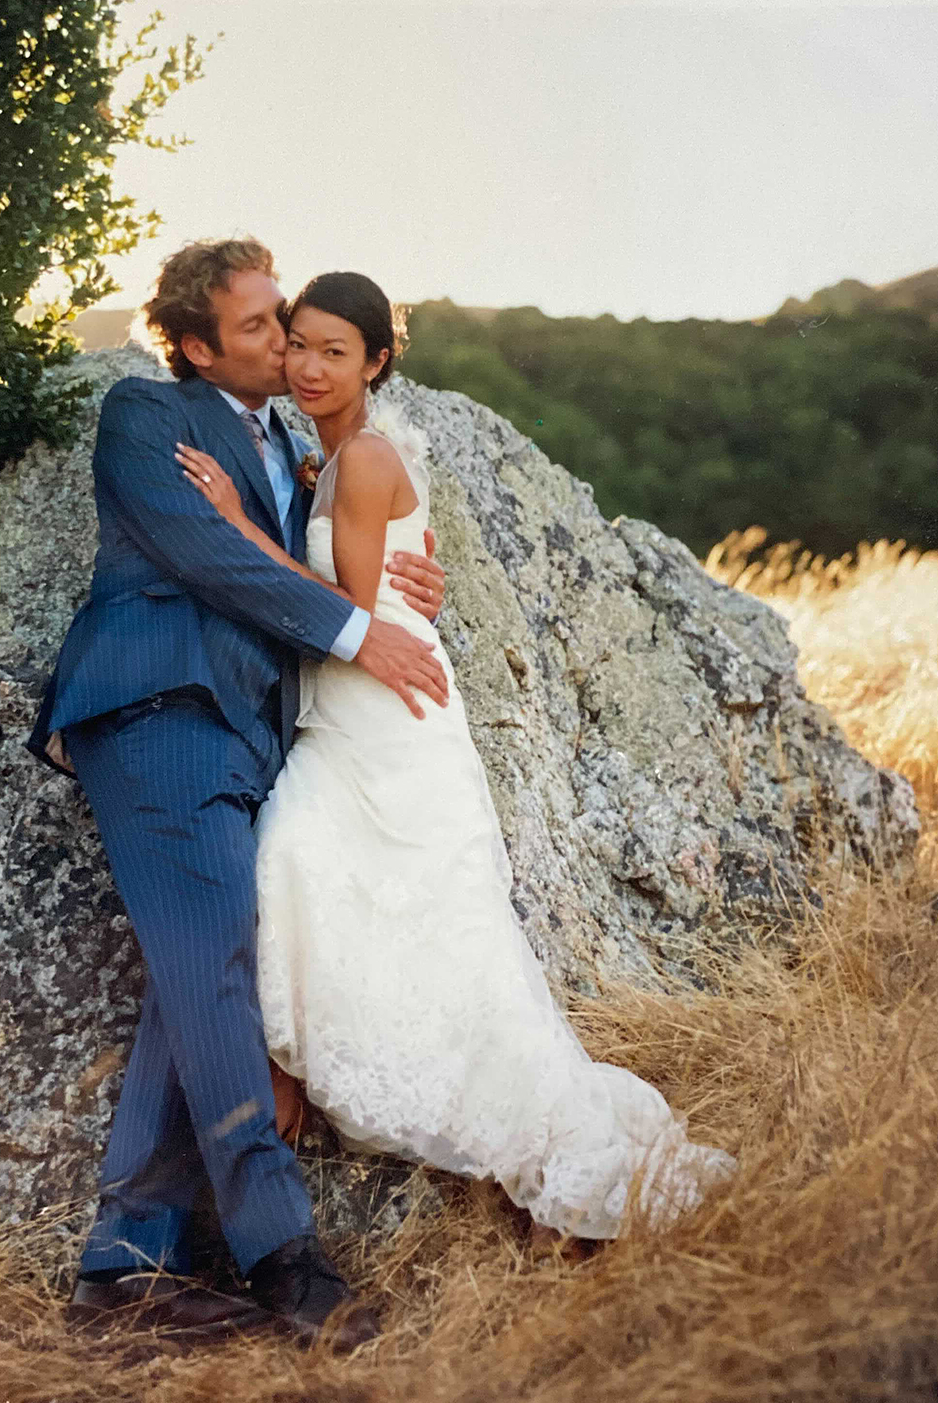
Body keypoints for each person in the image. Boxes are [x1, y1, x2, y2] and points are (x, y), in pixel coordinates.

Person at [177, 271, 736, 1245]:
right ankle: (299, 1066)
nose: (306, 366)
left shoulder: (363, 461)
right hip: (369, 705)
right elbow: (382, 572)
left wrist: (230, 523)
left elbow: (341, 611)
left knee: (299, 857)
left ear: (379, 361)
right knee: (327, 871)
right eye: (297, 343)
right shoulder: (343, 457)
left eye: (333, 351)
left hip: (380, 713)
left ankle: (322, 1075)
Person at [27, 239, 448, 1351]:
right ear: (197, 345)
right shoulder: (143, 415)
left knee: (196, 975)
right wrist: (360, 632)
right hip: (161, 711)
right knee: (212, 968)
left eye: (290, 321)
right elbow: (214, 560)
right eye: (261, 326)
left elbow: (304, 554)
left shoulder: (300, 457)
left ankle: (127, 1267)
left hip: (249, 743)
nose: (285, 340)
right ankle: (284, 1255)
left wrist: (398, 568)